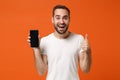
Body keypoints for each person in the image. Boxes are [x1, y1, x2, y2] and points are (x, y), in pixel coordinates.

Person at [28, 5, 92, 80]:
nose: (61, 21)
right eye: (58, 18)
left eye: (65, 18)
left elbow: (85, 70)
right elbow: (41, 72)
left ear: (69, 19)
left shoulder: (79, 39)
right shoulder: (45, 41)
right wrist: (36, 49)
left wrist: (88, 52)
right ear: (52, 20)